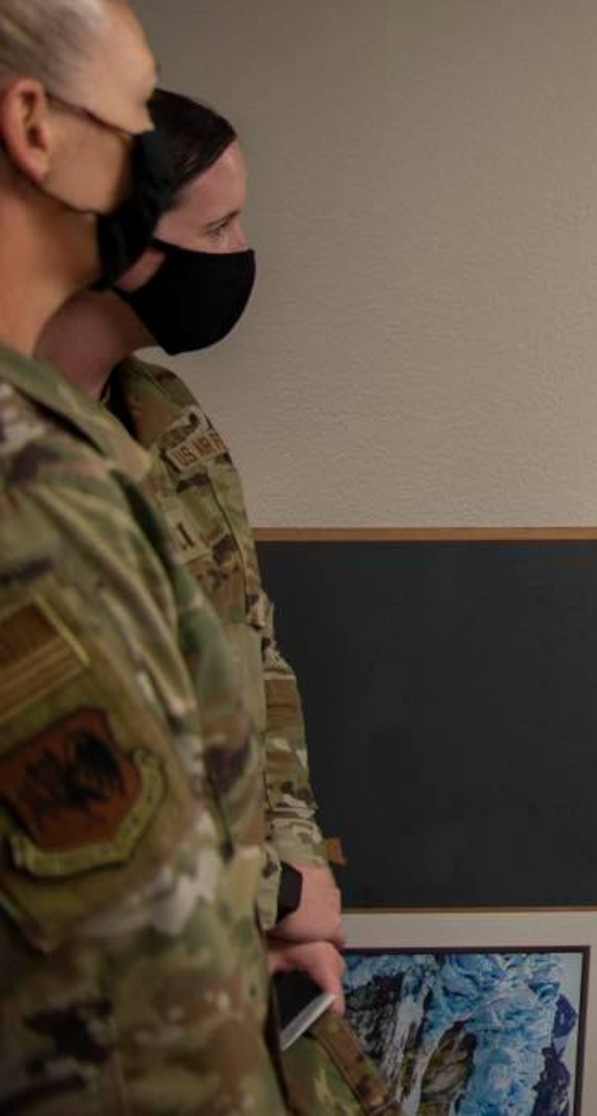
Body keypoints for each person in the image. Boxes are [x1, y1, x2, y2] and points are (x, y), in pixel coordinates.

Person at [37, 90, 395, 1114]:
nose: (238, 256)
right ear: (113, 244)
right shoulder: (28, 463)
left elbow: (254, 665)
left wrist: (294, 888)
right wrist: (268, 893)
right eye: (216, 230)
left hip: (233, 955)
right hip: (86, 993)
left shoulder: (165, 419)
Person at [0, 0, 281, 1108]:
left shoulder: (76, 439)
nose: (146, 181)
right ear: (34, 128)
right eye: (130, 131)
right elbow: (130, 947)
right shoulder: (34, 486)